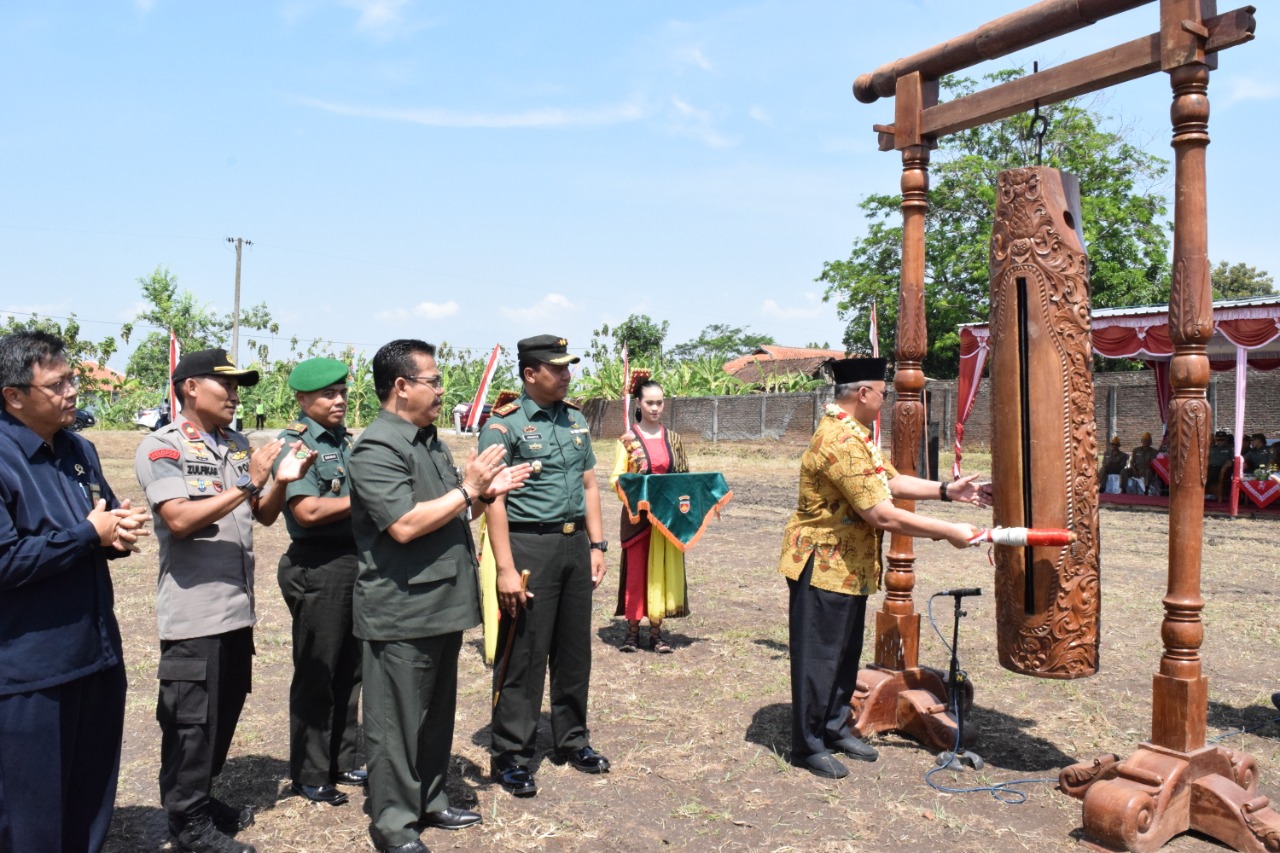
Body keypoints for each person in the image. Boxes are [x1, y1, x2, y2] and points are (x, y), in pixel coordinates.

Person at [349, 339, 529, 852]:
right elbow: (404, 525)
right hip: (401, 607)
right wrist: (469, 490)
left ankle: (428, 799)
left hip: (441, 602)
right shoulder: (377, 447)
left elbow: (451, 511)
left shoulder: (427, 441)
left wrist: (487, 490)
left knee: (432, 715)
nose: (441, 389)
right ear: (401, 386)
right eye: (432, 381)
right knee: (394, 724)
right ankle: (393, 824)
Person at [136, 347, 314, 853]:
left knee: (222, 712)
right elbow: (180, 520)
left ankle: (199, 799)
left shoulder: (235, 443)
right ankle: (187, 821)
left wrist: (279, 483)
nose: (235, 396)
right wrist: (250, 480)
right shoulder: (162, 448)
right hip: (194, 612)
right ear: (191, 387)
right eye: (226, 385)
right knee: (191, 722)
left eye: (238, 387)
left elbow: (262, 514)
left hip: (236, 607)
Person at [778, 357, 990, 780]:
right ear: (863, 393)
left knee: (844, 655)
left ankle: (835, 727)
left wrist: (948, 490)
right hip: (822, 565)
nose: (885, 398)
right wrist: (947, 531)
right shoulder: (837, 439)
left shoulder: (856, 435)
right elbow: (882, 514)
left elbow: (889, 480)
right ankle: (808, 744)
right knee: (818, 658)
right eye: (883, 391)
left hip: (848, 566)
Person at [0, 331, 151, 853]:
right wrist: (89, 534)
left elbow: (100, 517)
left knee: (90, 801)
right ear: (13, 396)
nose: (71, 392)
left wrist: (117, 531)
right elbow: (5, 562)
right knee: (30, 816)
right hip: (28, 672)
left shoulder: (78, 449)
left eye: (72, 380)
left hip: (95, 654)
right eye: (57, 384)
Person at [479, 334, 611, 798]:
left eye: (568, 367)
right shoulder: (505, 425)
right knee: (525, 655)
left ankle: (573, 739)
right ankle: (512, 755)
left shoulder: (575, 418)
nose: (566, 375)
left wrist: (598, 545)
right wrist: (505, 568)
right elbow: (493, 497)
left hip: (575, 547)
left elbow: (590, 484)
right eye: (556, 368)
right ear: (530, 373)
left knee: (575, 652)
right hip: (529, 547)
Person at [273, 358, 367, 807]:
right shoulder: (295, 444)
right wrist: (364, 498)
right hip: (318, 565)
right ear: (303, 399)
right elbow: (307, 511)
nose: (339, 400)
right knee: (318, 670)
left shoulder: (345, 442)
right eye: (328, 394)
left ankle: (342, 758)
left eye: (342, 392)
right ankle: (310, 771)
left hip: (355, 563)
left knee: (352, 667)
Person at [609, 375, 690, 653]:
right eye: (650, 403)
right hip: (637, 518)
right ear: (639, 404)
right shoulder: (628, 440)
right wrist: (638, 491)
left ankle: (656, 633)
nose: (655, 408)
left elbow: (683, 479)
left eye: (660, 402)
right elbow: (616, 479)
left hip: (666, 519)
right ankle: (632, 633)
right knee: (636, 571)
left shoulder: (675, 440)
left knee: (661, 573)